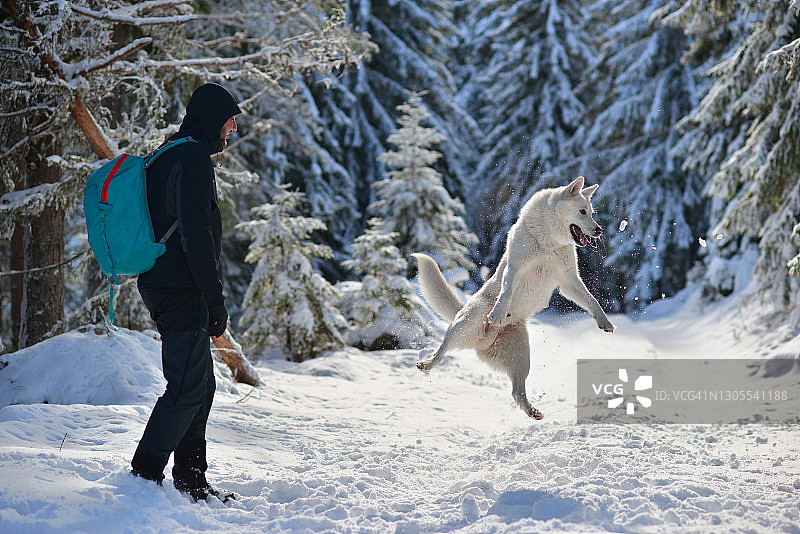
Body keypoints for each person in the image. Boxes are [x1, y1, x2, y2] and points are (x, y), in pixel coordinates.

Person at [130, 83, 241, 503]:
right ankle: (144, 474)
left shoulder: (168, 153)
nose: (232, 127)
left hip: (165, 283)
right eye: (230, 118)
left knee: (201, 385)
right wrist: (215, 300)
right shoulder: (192, 159)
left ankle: (191, 479)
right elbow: (195, 236)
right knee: (186, 387)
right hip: (180, 288)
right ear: (213, 117)